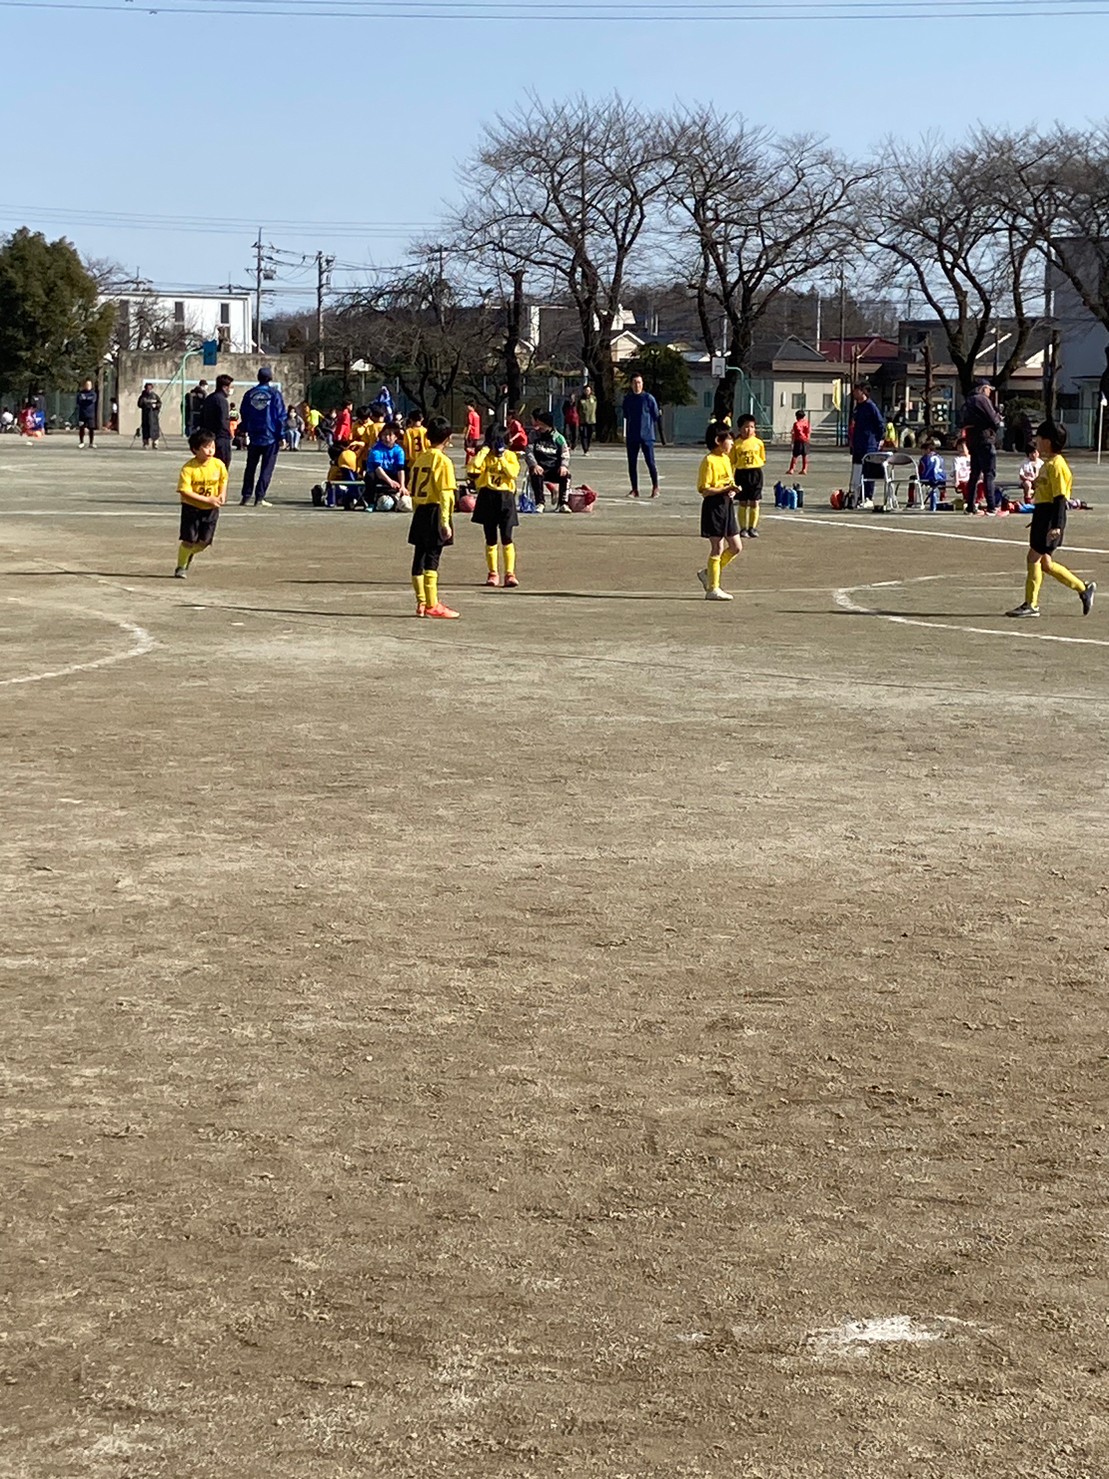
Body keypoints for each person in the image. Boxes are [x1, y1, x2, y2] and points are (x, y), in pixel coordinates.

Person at [1007, 421, 1095, 620]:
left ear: (1047, 441)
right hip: (1042, 514)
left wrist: (1057, 525)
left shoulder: (1058, 466)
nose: (1036, 441)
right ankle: (1083, 588)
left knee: (1033, 558)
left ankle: (1031, 604)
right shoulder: (1048, 463)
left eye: (1039, 438)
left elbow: (1060, 499)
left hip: (1050, 517)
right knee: (1045, 563)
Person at [407, 415, 460, 619]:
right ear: (447, 438)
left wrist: (415, 512)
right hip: (435, 510)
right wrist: (445, 522)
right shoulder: (443, 461)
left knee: (418, 557)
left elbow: (412, 490)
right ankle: (432, 603)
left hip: (420, 511)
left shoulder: (420, 459)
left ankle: (421, 602)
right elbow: (446, 494)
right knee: (432, 558)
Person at [695, 422, 742, 602]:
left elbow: (727, 483)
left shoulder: (726, 459)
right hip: (713, 506)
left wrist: (731, 490)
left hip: (726, 504)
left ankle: (709, 573)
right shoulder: (709, 461)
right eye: (729, 439)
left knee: (736, 546)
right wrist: (724, 489)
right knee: (717, 546)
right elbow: (705, 490)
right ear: (718, 441)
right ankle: (712, 588)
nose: (731, 443)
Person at [471, 424, 521, 588]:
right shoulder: (486, 456)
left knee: (507, 537)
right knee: (490, 538)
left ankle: (510, 573)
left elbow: (513, 473)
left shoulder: (511, 456)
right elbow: (474, 467)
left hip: (505, 498)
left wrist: (501, 458)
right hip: (488, 496)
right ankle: (492, 572)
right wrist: (484, 451)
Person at [174, 429, 228, 579]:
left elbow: (223, 479)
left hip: (210, 510)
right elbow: (185, 491)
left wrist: (222, 494)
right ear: (195, 450)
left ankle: (188, 554)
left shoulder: (218, 465)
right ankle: (181, 566)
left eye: (212, 446)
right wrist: (207, 500)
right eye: (206, 447)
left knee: (204, 542)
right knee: (188, 540)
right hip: (191, 509)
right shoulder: (188, 468)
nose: (210, 450)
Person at [238, 367, 286, 507]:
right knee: (267, 468)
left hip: (254, 435)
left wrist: (246, 429)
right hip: (270, 435)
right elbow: (280, 416)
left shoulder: (250, 394)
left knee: (250, 467)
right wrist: (281, 435)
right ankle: (259, 497)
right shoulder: (274, 394)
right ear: (270, 378)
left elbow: (244, 412)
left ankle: (246, 496)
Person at [960, 378, 1001, 516]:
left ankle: (970, 505)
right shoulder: (981, 399)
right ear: (983, 388)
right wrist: (998, 419)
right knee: (989, 473)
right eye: (989, 389)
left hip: (972, 439)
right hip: (985, 438)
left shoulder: (967, 402)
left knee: (974, 474)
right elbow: (993, 419)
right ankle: (991, 506)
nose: (990, 392)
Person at [622, 374, 662, 498]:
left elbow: (655, 415)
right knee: (632, 463)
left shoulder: (649, 398)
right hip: (632, 435)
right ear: (631, 384)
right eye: (634, 382)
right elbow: (626, 415)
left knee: (650, 462)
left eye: (639, 382)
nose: (637, 385)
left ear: (642, 384)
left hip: (647, 436)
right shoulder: (628, 399)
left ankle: (655, 487)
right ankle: (634, 489)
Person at [525, 408, 570, 513]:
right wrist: (534, 465)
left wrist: (563, 466)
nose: (538, 426)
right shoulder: (533, 435)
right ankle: (540, 503)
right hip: (540, 468)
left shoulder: (559, 438)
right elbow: (529, 452)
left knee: (566, 476)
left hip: (554, 468)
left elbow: (565, 454)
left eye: (540, 424)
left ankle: (563, 503)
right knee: (536, 474)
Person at [847, 384, 884, 506]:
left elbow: (880, 424)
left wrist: (878, 440)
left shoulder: (871, 406)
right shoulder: (858, 407)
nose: (854, 393)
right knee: (857, 471)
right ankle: (856, 496)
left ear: (862, 392)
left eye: (856, 391)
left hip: (869, 445)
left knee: (868, 471)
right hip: (858, 444)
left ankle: (868, 497)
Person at [731, 413, 766, 538]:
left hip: (755, 473)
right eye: (746, 427)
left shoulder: (758, 443)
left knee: (754, 501)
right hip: (741, 474)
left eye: (751, 427)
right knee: (743, 502)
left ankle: (752, 527)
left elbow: (762, 458)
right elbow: (732, 461)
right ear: (740, 428)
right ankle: (743, 528)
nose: (749, 430)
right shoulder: (736, 444)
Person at [366, 422, 406, 506]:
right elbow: (378, 469)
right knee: (370, 476)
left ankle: (400, 497)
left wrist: (402, 485)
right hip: (379, 474)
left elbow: (400, 469)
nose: (387, 438)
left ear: (396, 437)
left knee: (407, 473)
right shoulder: (376, 449)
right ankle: (370, 502)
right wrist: (390, 481)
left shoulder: (399, 451)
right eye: (384, 435)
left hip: (391, 473)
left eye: (390, 435)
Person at [200, 374, 234, 470]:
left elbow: (202, 418)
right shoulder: (221, 400)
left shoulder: (209, 398)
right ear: (224, 387)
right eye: (230, 387)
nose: (231, 389)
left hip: (209, 436)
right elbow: (223, 420)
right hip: (221, 438)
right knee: (222, 466)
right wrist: (228, 434)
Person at [75, 378, 98, 448]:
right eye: (87, 384)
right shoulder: (80, 393)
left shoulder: (93, 393)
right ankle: (81, 442)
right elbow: (79, 401)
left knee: (91, 429)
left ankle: (91, 443)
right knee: (81, 428)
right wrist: (85, 399)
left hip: (90, 415)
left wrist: (85, 399)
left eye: (89, 385)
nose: (88, 386)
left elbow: (92, 400)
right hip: (82, 414)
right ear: (84, 385)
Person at [138, 383, 162, 448]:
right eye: (147, 388)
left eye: (150, 388)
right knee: (145, 429)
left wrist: (156, 406)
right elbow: (139, 404)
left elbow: (159, 403)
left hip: (154, 416)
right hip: (145, 416)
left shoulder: (155, 396)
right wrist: (144, 402)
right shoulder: (143, 396)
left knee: (155, 429)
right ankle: (145, 443)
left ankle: (155, 443)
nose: (149, 390)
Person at [787, 408, 810, 475]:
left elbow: (795, 433)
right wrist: (807, 438)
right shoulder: (807, 423)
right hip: (806, 441)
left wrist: (792, 441)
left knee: (795, 455)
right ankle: (804, 469)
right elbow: (808, 431)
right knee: (805, 456)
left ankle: (791, 469)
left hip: (798, 440)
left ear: (797, 416)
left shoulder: (796, 424)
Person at [579, 387, 597, 454]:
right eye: (586, 390)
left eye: (588, 390)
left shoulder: (593, 398)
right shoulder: (581, 399)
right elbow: (578, 409)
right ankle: (585, 449)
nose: (587, 391)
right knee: (584, 435)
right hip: (583, 420)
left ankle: (588, 447)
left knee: (590, 435)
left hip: (591, 420)